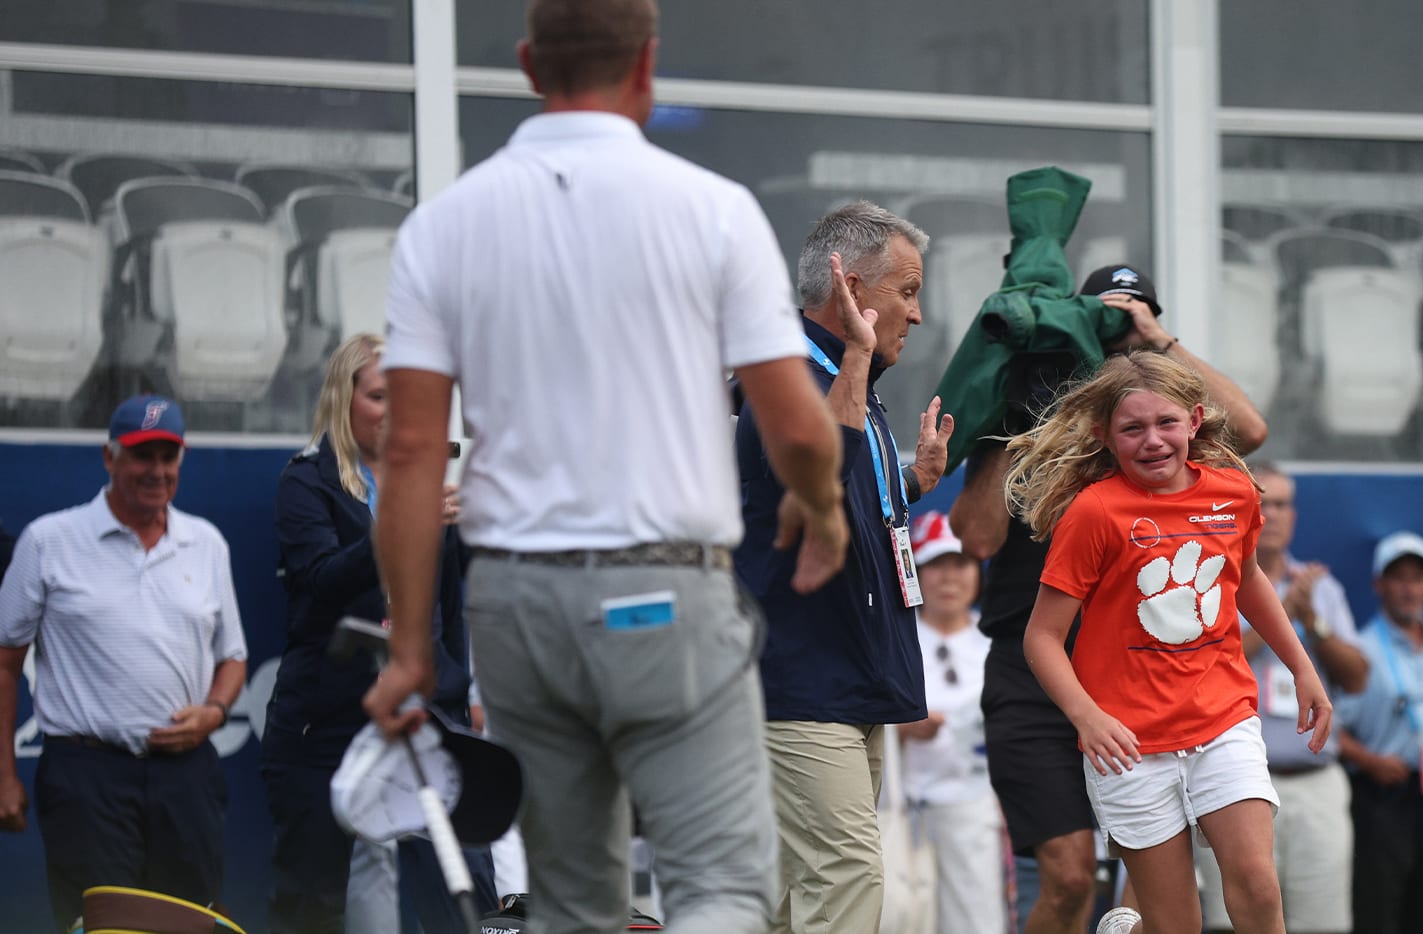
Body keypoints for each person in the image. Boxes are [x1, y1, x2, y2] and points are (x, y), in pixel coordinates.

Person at [360, 2, 852, 932]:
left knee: (570, 905)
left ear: (526, 65)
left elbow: (413, 450)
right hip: (664, 591)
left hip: (515, 602)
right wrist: (822, 512)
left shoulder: (444, 223)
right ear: (647, 67)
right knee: (718, 891)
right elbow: (795, 426)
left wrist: (414, 648)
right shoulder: (712, 209)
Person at [950, 264, 1266, 934]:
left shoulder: (1161, 429)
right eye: (1106, 318)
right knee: (1068, 878)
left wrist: (1157, 344)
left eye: (1134, 316)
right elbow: (975, 537)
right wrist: (1028, 401)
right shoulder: (1045, 415)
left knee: (1151, 901)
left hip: (1144, 674)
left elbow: (1252, 431)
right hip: (1033, 668)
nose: (1119, 333)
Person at [1011, 351, 1333, 934]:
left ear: (1195, 420)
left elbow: (1249, 579)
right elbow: (1042, 638)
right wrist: (1086, 718)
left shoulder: (1235, 494)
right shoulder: (1092, 513)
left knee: (1258, 887)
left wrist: (1301, 667)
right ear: (1103, 436)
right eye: (1132, 428)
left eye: (1166, 423)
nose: (1152, 440)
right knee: (1175, 924)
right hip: (1129, 745)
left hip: (1222, 720)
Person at [735, 200, 953, 934]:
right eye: (908, 291)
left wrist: (915, 480)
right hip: (799, 681)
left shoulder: (854, 384)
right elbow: (815, 490)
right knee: (846, 874)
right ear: (852, 288)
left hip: (851, 680)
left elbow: (858, 508)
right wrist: (858, 358)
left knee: (796, 893)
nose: (917, 315)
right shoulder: (781, 376)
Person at [264, 332, 496, 934]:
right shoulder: (306, 482)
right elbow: (319, 583)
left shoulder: (430, 483)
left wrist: (455, 693)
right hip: (328, 723)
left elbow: (448, 610)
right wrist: (398, 523)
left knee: (458, 894)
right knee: (317, 906)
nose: (394, 410)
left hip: (425, 721)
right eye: (377, 396)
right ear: (343, 401)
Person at [0, 395, 247, 929]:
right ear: (109, 458)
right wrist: (3, 774)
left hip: (187, 778)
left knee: (191, 923)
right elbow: (5, 661)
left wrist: (215, 712)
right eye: (141, 456)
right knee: (102, 927)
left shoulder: (206, 543)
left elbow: (232, 656)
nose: (157, 471)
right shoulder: (49, 541)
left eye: (168, 456)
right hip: (87, 777)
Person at [1198, 463, 1368, 934]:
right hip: (1235, 782)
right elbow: (1205, 667)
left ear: (1294, 514)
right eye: (1262, 503)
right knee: (1233, 921)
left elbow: (1357, 678)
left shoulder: (1321, 588)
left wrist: (1314, 622)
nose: (1271, 514)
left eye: (1281, 504)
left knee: (1322, 922)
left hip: (1315, 779)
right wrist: (1279, 615)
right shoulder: (1212, 581)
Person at [1335, 532, 1423, 934]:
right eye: (1398, 578)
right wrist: (1369, 760)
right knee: (1381, 912)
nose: (1409, 588)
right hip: (1384, 797)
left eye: (1417, 578)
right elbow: (1333, 729)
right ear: (1378, 585)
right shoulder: (1362, 650)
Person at [899, 511, 1003, 934]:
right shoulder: (899, 642)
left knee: (974, 919)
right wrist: (902, 727)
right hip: (902, 807)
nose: (948, 578)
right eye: (934, 566)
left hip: (974, 801)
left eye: (959, 564)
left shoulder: (993, 640)